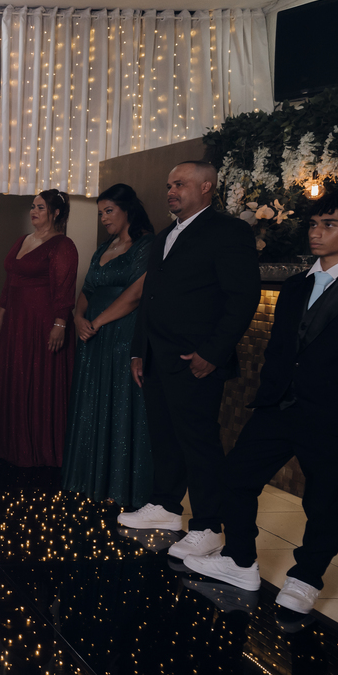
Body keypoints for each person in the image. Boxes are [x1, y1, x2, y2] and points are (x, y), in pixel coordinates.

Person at [184, 191, 338, 617]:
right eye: (313, 224)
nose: (316, 233)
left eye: (329, 224)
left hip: (334, 414)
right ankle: (240, 561)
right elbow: (281, 348)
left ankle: (306, 579)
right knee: (235, 478)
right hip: (278, 406)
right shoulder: (296, 285)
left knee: (323, 502)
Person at [120, 161, 259, 561]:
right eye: (169, 185)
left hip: (195, 359)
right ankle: (166, 506)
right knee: (164, 436)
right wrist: (138, 350)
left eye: (180, 184)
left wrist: (213, 353)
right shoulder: (166, 235)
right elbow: (150, 299)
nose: (171, 191)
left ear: (206, 187)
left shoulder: (229, 231)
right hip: (157, 356)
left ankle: (208, 526)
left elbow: (242, 298)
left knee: (199, 443)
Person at [62, 184, 156, 507]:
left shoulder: (146, 245)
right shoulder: (103, 248)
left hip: (122, 332)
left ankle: (119, 485)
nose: (104, 218)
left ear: (128, 210)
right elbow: (87, 288)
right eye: (101, 213)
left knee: (119, 401)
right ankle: (89, 479)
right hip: (91, 335)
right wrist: (78, 317)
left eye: (109, 211)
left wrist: (98, 321)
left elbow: (136, 294)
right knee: (92, 402)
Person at [0, 190, 79, 467]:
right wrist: (1, 313)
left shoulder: (62, 245)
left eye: (41, 207)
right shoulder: (23, 240)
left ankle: (39, 445)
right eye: (33, 206)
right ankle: (13, 442)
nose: (34, 211)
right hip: (17, 320)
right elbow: (11, 279)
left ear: (56, 213)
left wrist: (60, 323)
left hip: (42, 322)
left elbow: (65, 288)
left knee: (39, 378)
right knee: (17, 376)